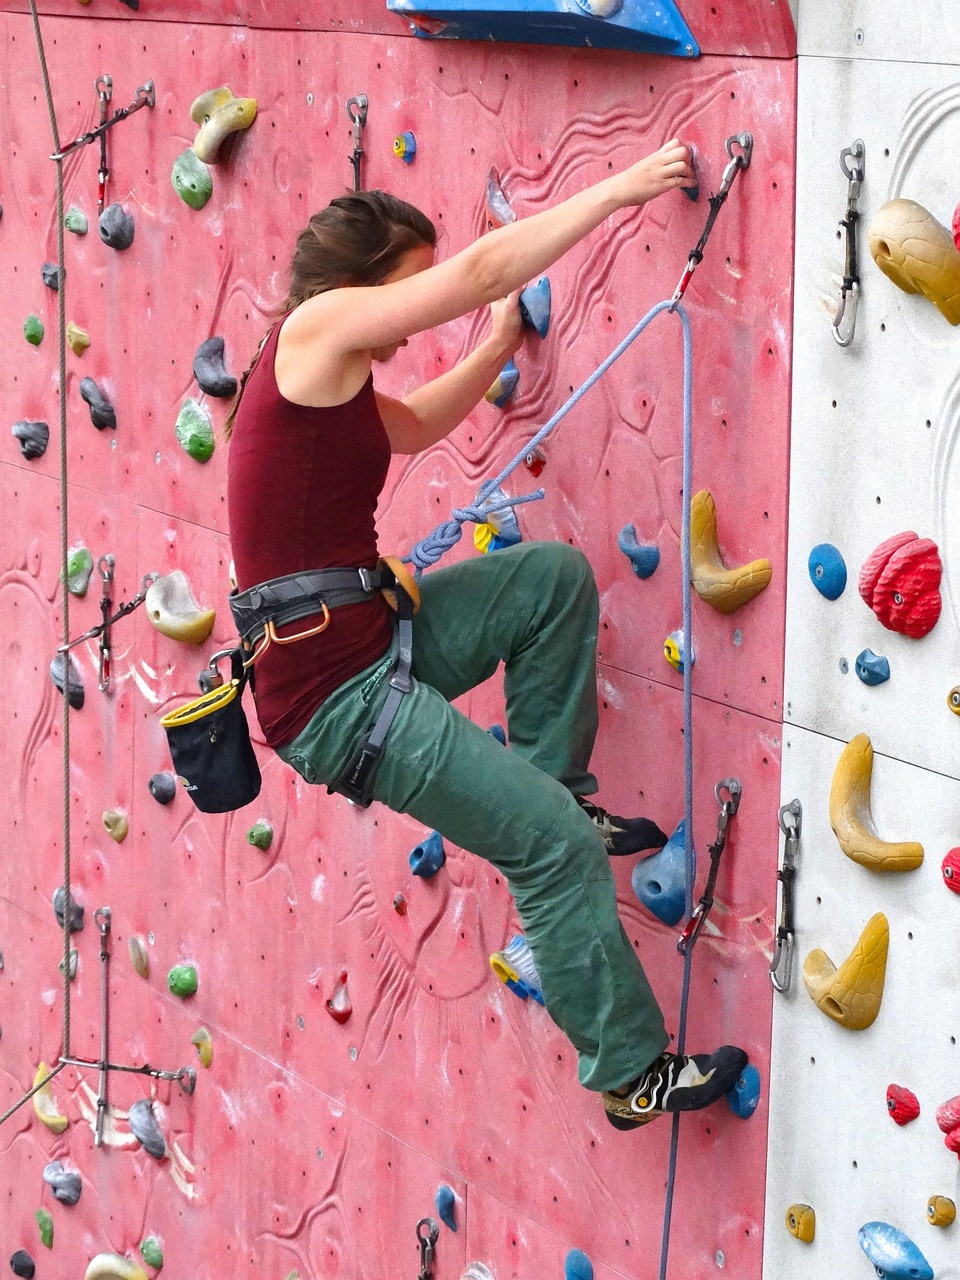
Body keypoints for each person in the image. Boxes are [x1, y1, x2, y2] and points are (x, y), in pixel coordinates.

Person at [225, 139, 747, 1130]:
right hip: (341, 704)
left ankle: (557, 782)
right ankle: (629, 1073)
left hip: (371, 640)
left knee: (549, 582)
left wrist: (499, 345)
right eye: (411, 289)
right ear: (365, 281)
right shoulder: (313, 330)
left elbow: (415, 422)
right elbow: (481, 269)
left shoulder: (329, 375)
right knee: (550, 851)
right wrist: (627, 185)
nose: (425, 309)